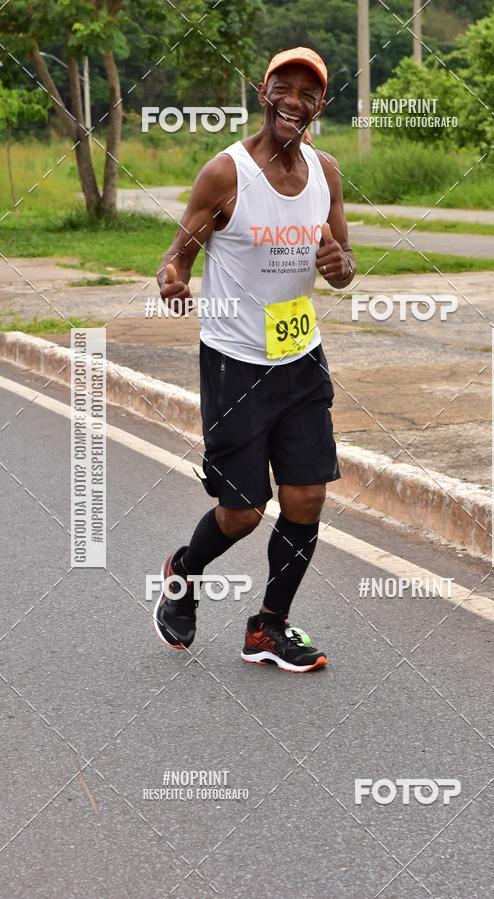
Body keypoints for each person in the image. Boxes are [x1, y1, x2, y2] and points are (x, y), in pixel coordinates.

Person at [153, 47, 355, 672]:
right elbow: (178, 255)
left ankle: (269, 628)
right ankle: (184, 573)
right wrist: (173, 278)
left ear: (321, 104)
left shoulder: (326, 172)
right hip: (234, 362)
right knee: (243, 510)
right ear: (263, 93)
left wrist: (339, 266)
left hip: (301, 358)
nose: (295, 100)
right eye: (283, 87)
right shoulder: (226, 174)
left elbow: (344, 267)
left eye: (308, 92)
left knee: (306, 499)